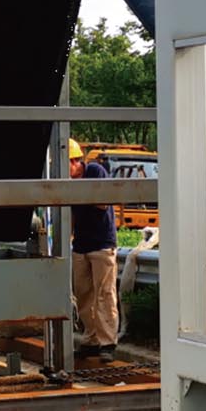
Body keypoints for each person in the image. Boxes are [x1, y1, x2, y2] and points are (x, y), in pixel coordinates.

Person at [68, 139, 118, 359]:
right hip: (81, 244)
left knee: (104, 294)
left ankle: (107, 342)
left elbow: (103, 202)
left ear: (75, 161)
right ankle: (91, 339)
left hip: (101, 243)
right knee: (84, 294)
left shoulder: (95, 171)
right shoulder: (67, 182)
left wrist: (78, 193)